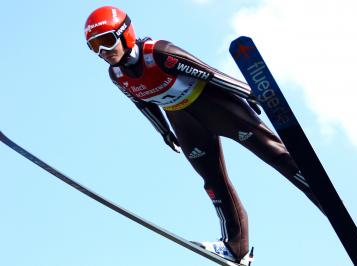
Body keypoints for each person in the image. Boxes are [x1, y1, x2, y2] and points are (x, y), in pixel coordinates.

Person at [84, 6, 323, 264]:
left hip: (216, 106)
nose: (103, 52)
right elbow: (143, 104)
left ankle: (321, 194)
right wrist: (164, 132)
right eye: (94, 47)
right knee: (213, 182)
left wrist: (249, 92)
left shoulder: (160, 53)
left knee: (272, 153)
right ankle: (236, 249)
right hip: (184, 122)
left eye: (106, 41)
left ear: (125, 34)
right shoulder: (117, 75)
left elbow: (209, 73)